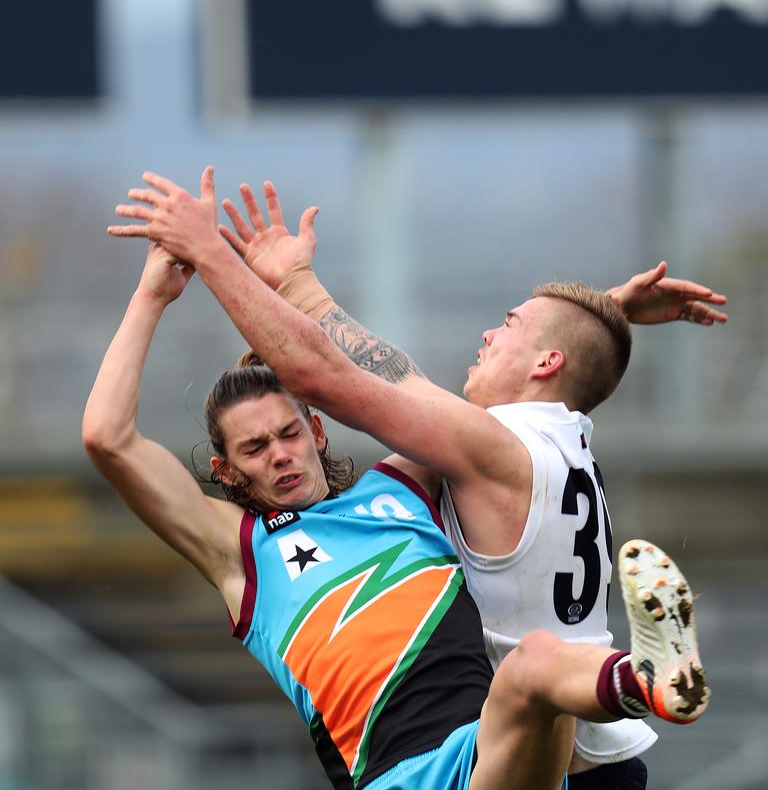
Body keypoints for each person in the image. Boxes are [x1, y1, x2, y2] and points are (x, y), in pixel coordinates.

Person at [97, 168, 711, 790]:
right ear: (225, 470)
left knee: (535, 669)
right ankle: (643, 678)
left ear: (317, 432)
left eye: (287, 434)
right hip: (434, 771)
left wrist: (594, 325)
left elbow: (343, 375)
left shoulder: (405, 488)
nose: (279, 454)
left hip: (504, 754)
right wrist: (151, 296)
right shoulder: (241, 550)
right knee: (535, 668)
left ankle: (647, 678)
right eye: (255, 448)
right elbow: (108, 440)